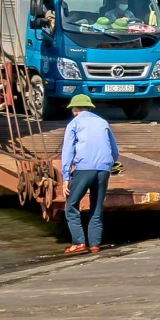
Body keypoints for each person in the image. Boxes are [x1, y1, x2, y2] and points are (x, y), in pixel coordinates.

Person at [59, 93, 118, 254]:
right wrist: (108, 165)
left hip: (84, 168)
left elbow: (67, 152)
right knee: (96, 207)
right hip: (103, 169)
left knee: (71, 205)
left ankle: (78, 242)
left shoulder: (74, 123)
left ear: (74, 109)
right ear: (90, 108)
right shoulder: (103, 122)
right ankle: (94, 245)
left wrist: (65, 178)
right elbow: (114, 150)